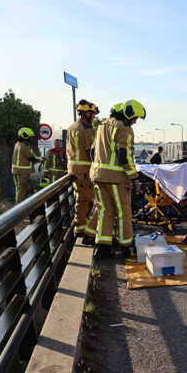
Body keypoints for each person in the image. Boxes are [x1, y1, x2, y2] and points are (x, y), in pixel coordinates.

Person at [87, 100, 145, 259]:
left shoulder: (101, 126)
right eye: (135, 118)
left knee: (105, 211)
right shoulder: (125, 129)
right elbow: (124, 156)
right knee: (123, 212)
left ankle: (102, 249)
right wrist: (134, 178)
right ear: (128, 115)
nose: (135, 122)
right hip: (117, 179)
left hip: (98, 176)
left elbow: (92, 151)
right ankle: (125, 247)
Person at [67, 100, 98, 243]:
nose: (94, 117)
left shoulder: (72, 127)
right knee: (85, 200)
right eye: (93, 114)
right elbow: (91, 151)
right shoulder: (85, 129)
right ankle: (80, 229)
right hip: (84, 170)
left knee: (81, 199)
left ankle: (80, 227)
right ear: (85, 113)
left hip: (76, 169)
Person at [11, 127, 42, 204]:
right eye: (30, 137)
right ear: (25, 136)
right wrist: (42, 159)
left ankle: (15, 209)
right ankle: (18, 212)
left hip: (16, 171)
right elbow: (32, 158)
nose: (31, 139)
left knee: (18, 191)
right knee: (22, 192)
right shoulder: (25, 146)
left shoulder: (17, 144)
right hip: (23, 173)